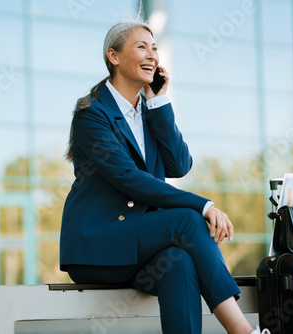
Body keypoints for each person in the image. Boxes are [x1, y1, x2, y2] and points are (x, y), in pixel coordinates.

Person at [59, 20, 269, 334]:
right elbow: (129, 178)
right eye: (141, 46)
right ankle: (242, 330)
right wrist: (204, 206)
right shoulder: (92, 114)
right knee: (188, 220)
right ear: (113, 56)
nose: (152, 55)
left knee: (178, 262)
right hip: (98, 245)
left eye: (155, 48)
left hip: (135, 247)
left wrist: (159, 102)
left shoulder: (149, 111)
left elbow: (179, 164)